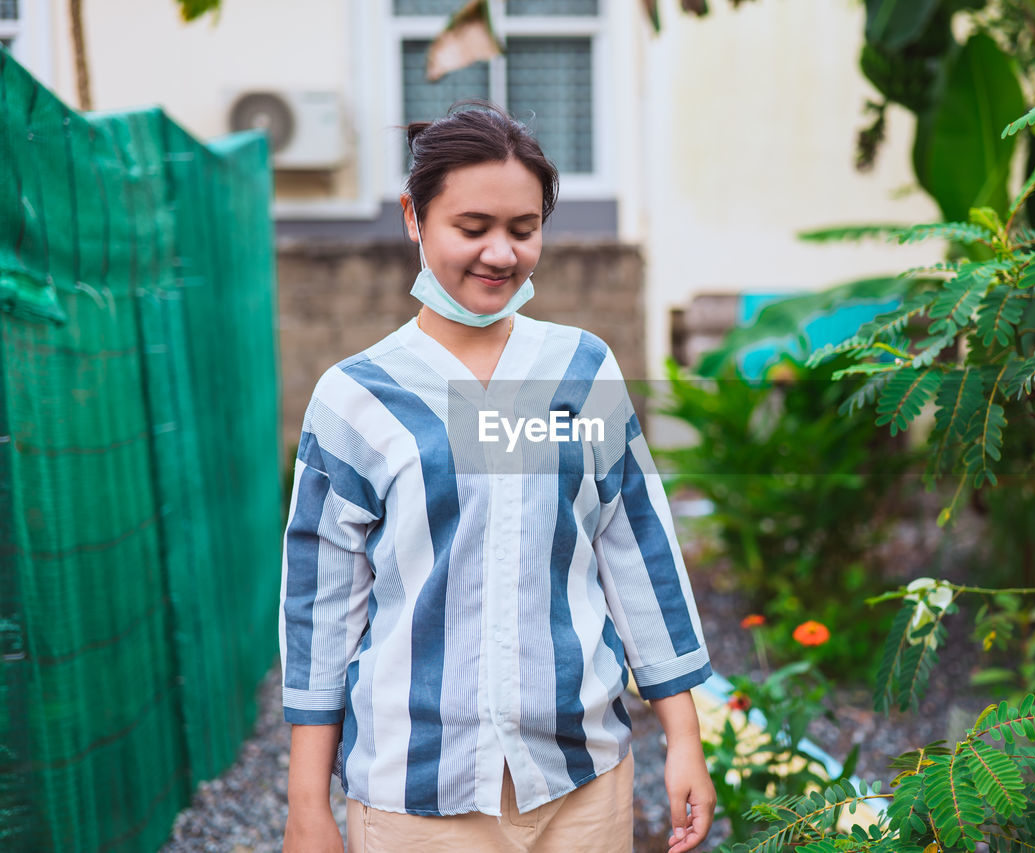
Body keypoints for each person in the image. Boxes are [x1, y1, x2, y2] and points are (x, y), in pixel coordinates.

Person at [280, 102, 715, 853]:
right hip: (414, 797)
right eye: (472, 227)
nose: (501, 254)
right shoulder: (356, 396)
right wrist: (306, 802)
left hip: (581, 784)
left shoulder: (581, 371)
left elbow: (638, 555)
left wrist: (684, 735)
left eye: (523, 229)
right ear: (415, 218)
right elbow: (321, 610)